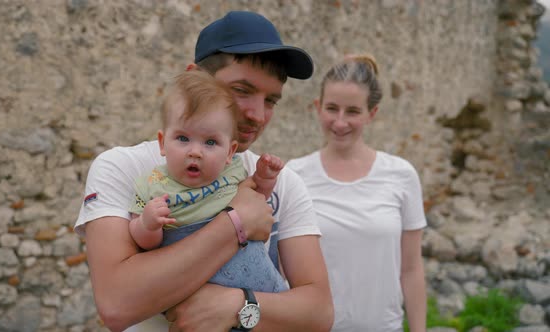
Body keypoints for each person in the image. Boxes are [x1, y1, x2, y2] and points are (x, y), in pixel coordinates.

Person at [74, 10, 333, 332]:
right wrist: (237, 223)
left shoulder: (282, 181)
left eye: (271, 101)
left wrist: (238, 305)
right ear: (194, 77)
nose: (258, 114)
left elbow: (319, 313)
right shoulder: (123, 167)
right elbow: (116, 304)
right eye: (242, 90)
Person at [286, 54, 427, 332]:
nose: (340, 122)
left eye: (352, 111)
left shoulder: (401, 175)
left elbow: (411, 269)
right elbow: (282, 269)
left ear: (371, 114)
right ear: (317, 107)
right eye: (332, 108)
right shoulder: (294, 176)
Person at [128, 70, 288, 293]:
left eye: (210, 142)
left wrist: (264, 178)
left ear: (230, 151)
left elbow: (257, 201)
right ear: (163, 143)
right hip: (195, 284)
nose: (195, 152)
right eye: (183, 139)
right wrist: (147, 224)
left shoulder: (231, 171)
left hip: (256, 278)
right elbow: (145, 243)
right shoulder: (152, 185)